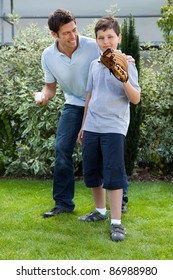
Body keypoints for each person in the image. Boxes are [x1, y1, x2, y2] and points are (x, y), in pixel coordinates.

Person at [34, 9, 131, 218]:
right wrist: (43, 95)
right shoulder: (48, 56)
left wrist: (125, 59)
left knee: (110, 150)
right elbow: (50, 87)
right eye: (66, 33)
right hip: (73, 103)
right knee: (61, 149)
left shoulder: (91, 45)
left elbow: (113, 57)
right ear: (55, 35)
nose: (73, 36)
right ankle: (63, 203)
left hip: (98, 103)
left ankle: (120, 201)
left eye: (74, 30)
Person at [77, 16, 141, 241]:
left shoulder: (128, 63)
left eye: (110, 37)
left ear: (119, 38)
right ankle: (100, 211)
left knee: (113, 173)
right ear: (96, 40)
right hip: (93, 124)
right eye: (101, 38)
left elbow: (135, 99)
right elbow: (90, 96)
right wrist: (83, 125)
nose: (106, 41)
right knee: (93, 171)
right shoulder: (94, 65)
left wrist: (123, 77)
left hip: (114, 125)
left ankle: (116, 222)